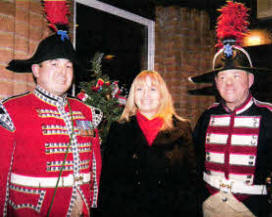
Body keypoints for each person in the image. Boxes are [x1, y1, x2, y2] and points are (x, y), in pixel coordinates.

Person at [0, 31, 103, 217]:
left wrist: (92, 200)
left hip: (80, 208)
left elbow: (94, 162)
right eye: (54, 64)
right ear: (36, 70)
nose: (62, 73)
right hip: (32, 209)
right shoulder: (12, 110)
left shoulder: (86, 111)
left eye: (68, 66)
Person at [97, 70, 198, 217]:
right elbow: (109, 184)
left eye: (152, 89)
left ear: (162, 95)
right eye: (140, 89)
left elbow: (191, 183)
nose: (146, 95)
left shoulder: (182, 129)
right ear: (133, 95)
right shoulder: (119, 130)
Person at [193, 40, 272, 216]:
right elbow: (196, 162)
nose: (228, 83)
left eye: (236, 75)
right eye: (222, 77)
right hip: (210, 205)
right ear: (216, 82)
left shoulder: (268, 116)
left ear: (250, 80)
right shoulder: (207, 116)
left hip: (252, 208)